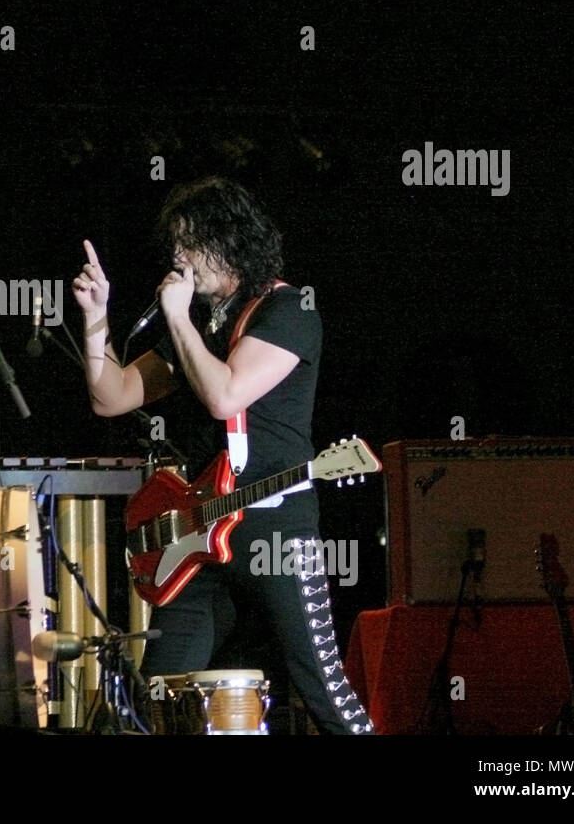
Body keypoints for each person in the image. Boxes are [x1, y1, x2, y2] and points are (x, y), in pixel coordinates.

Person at [73, 175, 372, 734]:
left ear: (233, 241)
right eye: (176, 244)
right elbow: (111, 397)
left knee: (320, 686)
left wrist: (180, 318)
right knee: (159, 692)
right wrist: (96, 320)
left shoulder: (288, 311)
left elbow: (224, 394)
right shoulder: (197, 331)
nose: (180, 257)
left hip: (276, 527)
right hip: (203, 530)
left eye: (192, 242)